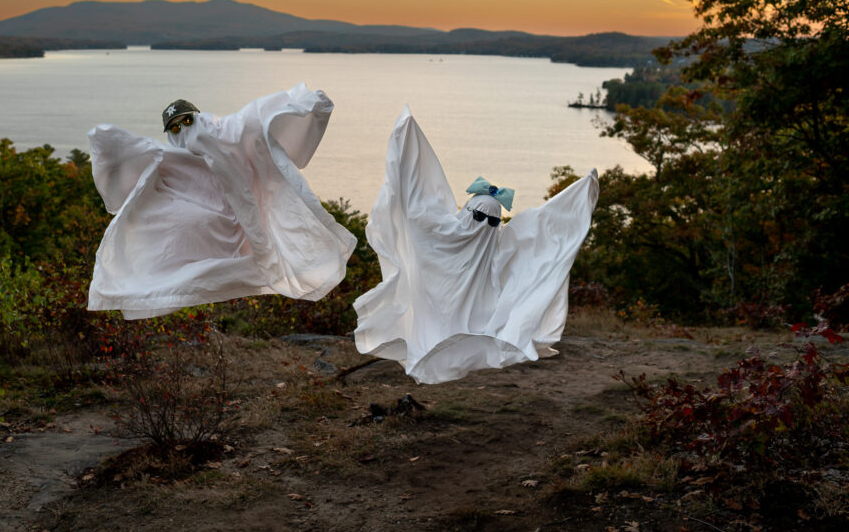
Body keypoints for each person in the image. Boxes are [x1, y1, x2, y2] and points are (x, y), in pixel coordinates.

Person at [352, 106, 599, 384]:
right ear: (468, 209)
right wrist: (408, 147)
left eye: (492, 221)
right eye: (479, 216)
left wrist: (578, 196)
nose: (484, 225)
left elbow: (544, 228)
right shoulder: (442, 233)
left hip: (474, 315)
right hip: (430, 312)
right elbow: (415, 200)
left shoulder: (499, 247)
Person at [87, 84, 356, 319]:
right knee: (160, 244)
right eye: (176, 128)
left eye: (187, 123)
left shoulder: (227, 133)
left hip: (242, 224)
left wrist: (305, 103)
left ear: (198, 117)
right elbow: (125, 154)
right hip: (209, 231)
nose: (184, 132)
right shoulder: (168, 158)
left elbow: (256, 118)